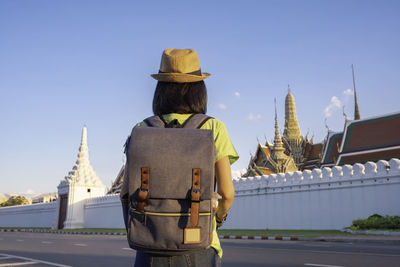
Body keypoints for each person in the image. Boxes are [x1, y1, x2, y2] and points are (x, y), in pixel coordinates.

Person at [121, 48, 239, 267]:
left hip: (149, 244)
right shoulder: (213, 127)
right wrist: (217, 219)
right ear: (199, 90)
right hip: (200, 245)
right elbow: (226, 193)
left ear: (160, 90)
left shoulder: (141, 128)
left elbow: (126, 192)